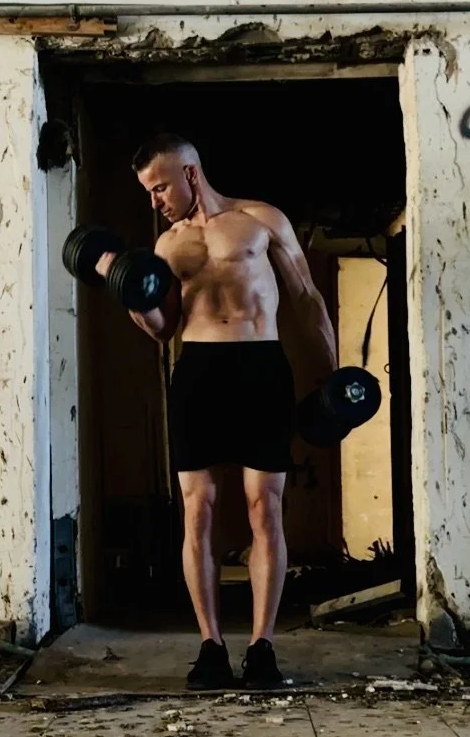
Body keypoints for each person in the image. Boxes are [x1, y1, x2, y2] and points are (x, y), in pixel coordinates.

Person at [94, 132, 338, 690]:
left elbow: (305, 297)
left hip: (261, 369)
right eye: (149, 192)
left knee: (262, 507)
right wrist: (128, 294)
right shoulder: (168, 246)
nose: (155, 201)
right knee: (198, 509)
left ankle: (262, 648)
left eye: (159, 187)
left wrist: (332, 372)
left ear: (190, 172)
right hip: (198, 373)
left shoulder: (261, 219)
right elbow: (163, 330)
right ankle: (210, 647)